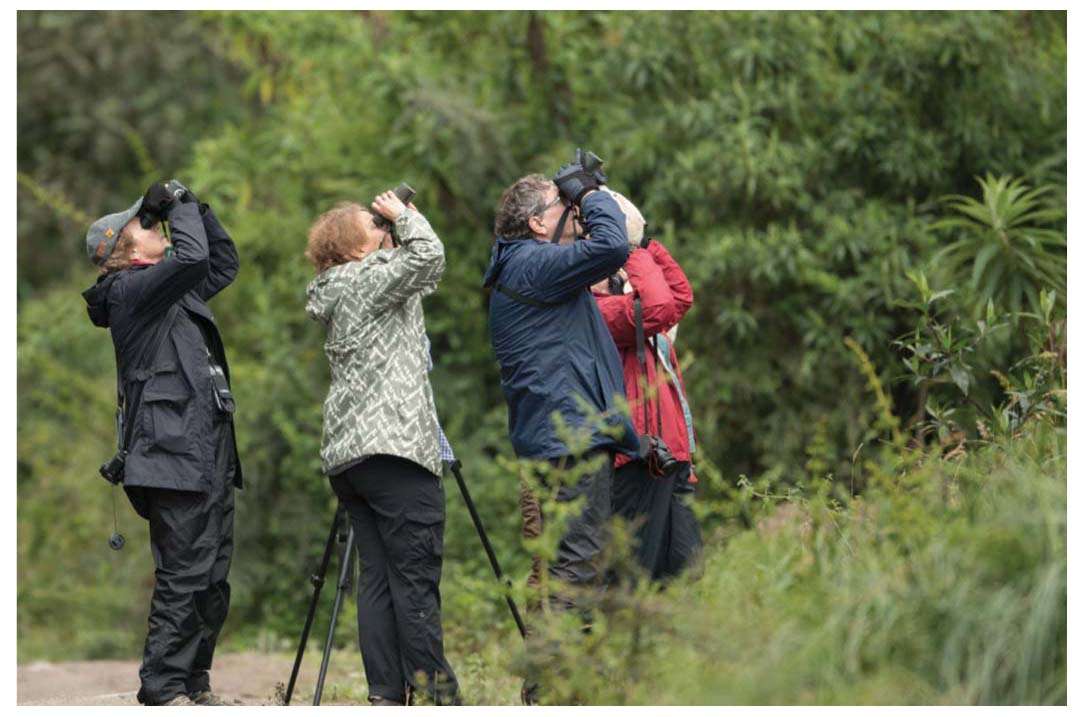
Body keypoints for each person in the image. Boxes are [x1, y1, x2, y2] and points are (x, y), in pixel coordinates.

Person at [82, 180, 242, 706]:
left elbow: (219, 263)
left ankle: (193, 679)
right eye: (142, 224)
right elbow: (194, 257)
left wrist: (193, 205)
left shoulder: (166, 287)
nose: (152, 226)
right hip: (170, 450)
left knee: (213, 577)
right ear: (125, 251)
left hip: (204, 444)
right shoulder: (130, 292)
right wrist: (171, 207)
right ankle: (161, 684)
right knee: (184, 572)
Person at [304, 191, 459, 706]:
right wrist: (405, 215)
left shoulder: (341, 286)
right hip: (394, 451)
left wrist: (396, 226)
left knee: (377, 580)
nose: (382, 224)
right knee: (414, 579)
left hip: (351, 456)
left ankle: (386, 694)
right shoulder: (369, 279)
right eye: (371, 224)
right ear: (353, 250)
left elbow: (422, 272)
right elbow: (430, 256)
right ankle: (438, 696)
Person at [483, 165, 640, 605]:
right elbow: (611, 244)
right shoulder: (532, 263)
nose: (573, 211)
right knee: (577, 568)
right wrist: (591, 194)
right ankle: (561, 672)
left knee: (566, 568)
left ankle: (552, 673)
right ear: (536, 224)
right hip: (569, 437)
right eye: (563, 205)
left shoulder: (523, 266)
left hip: (555, 436)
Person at [590, 189, 703, 581]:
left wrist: (646, 244)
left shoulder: (628, 303)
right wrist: (631, 251)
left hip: (672, 456)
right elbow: (658, 308)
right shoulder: (599, 312)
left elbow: (680, 298)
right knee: (640, 578)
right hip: (640, 460)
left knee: (685, 574)